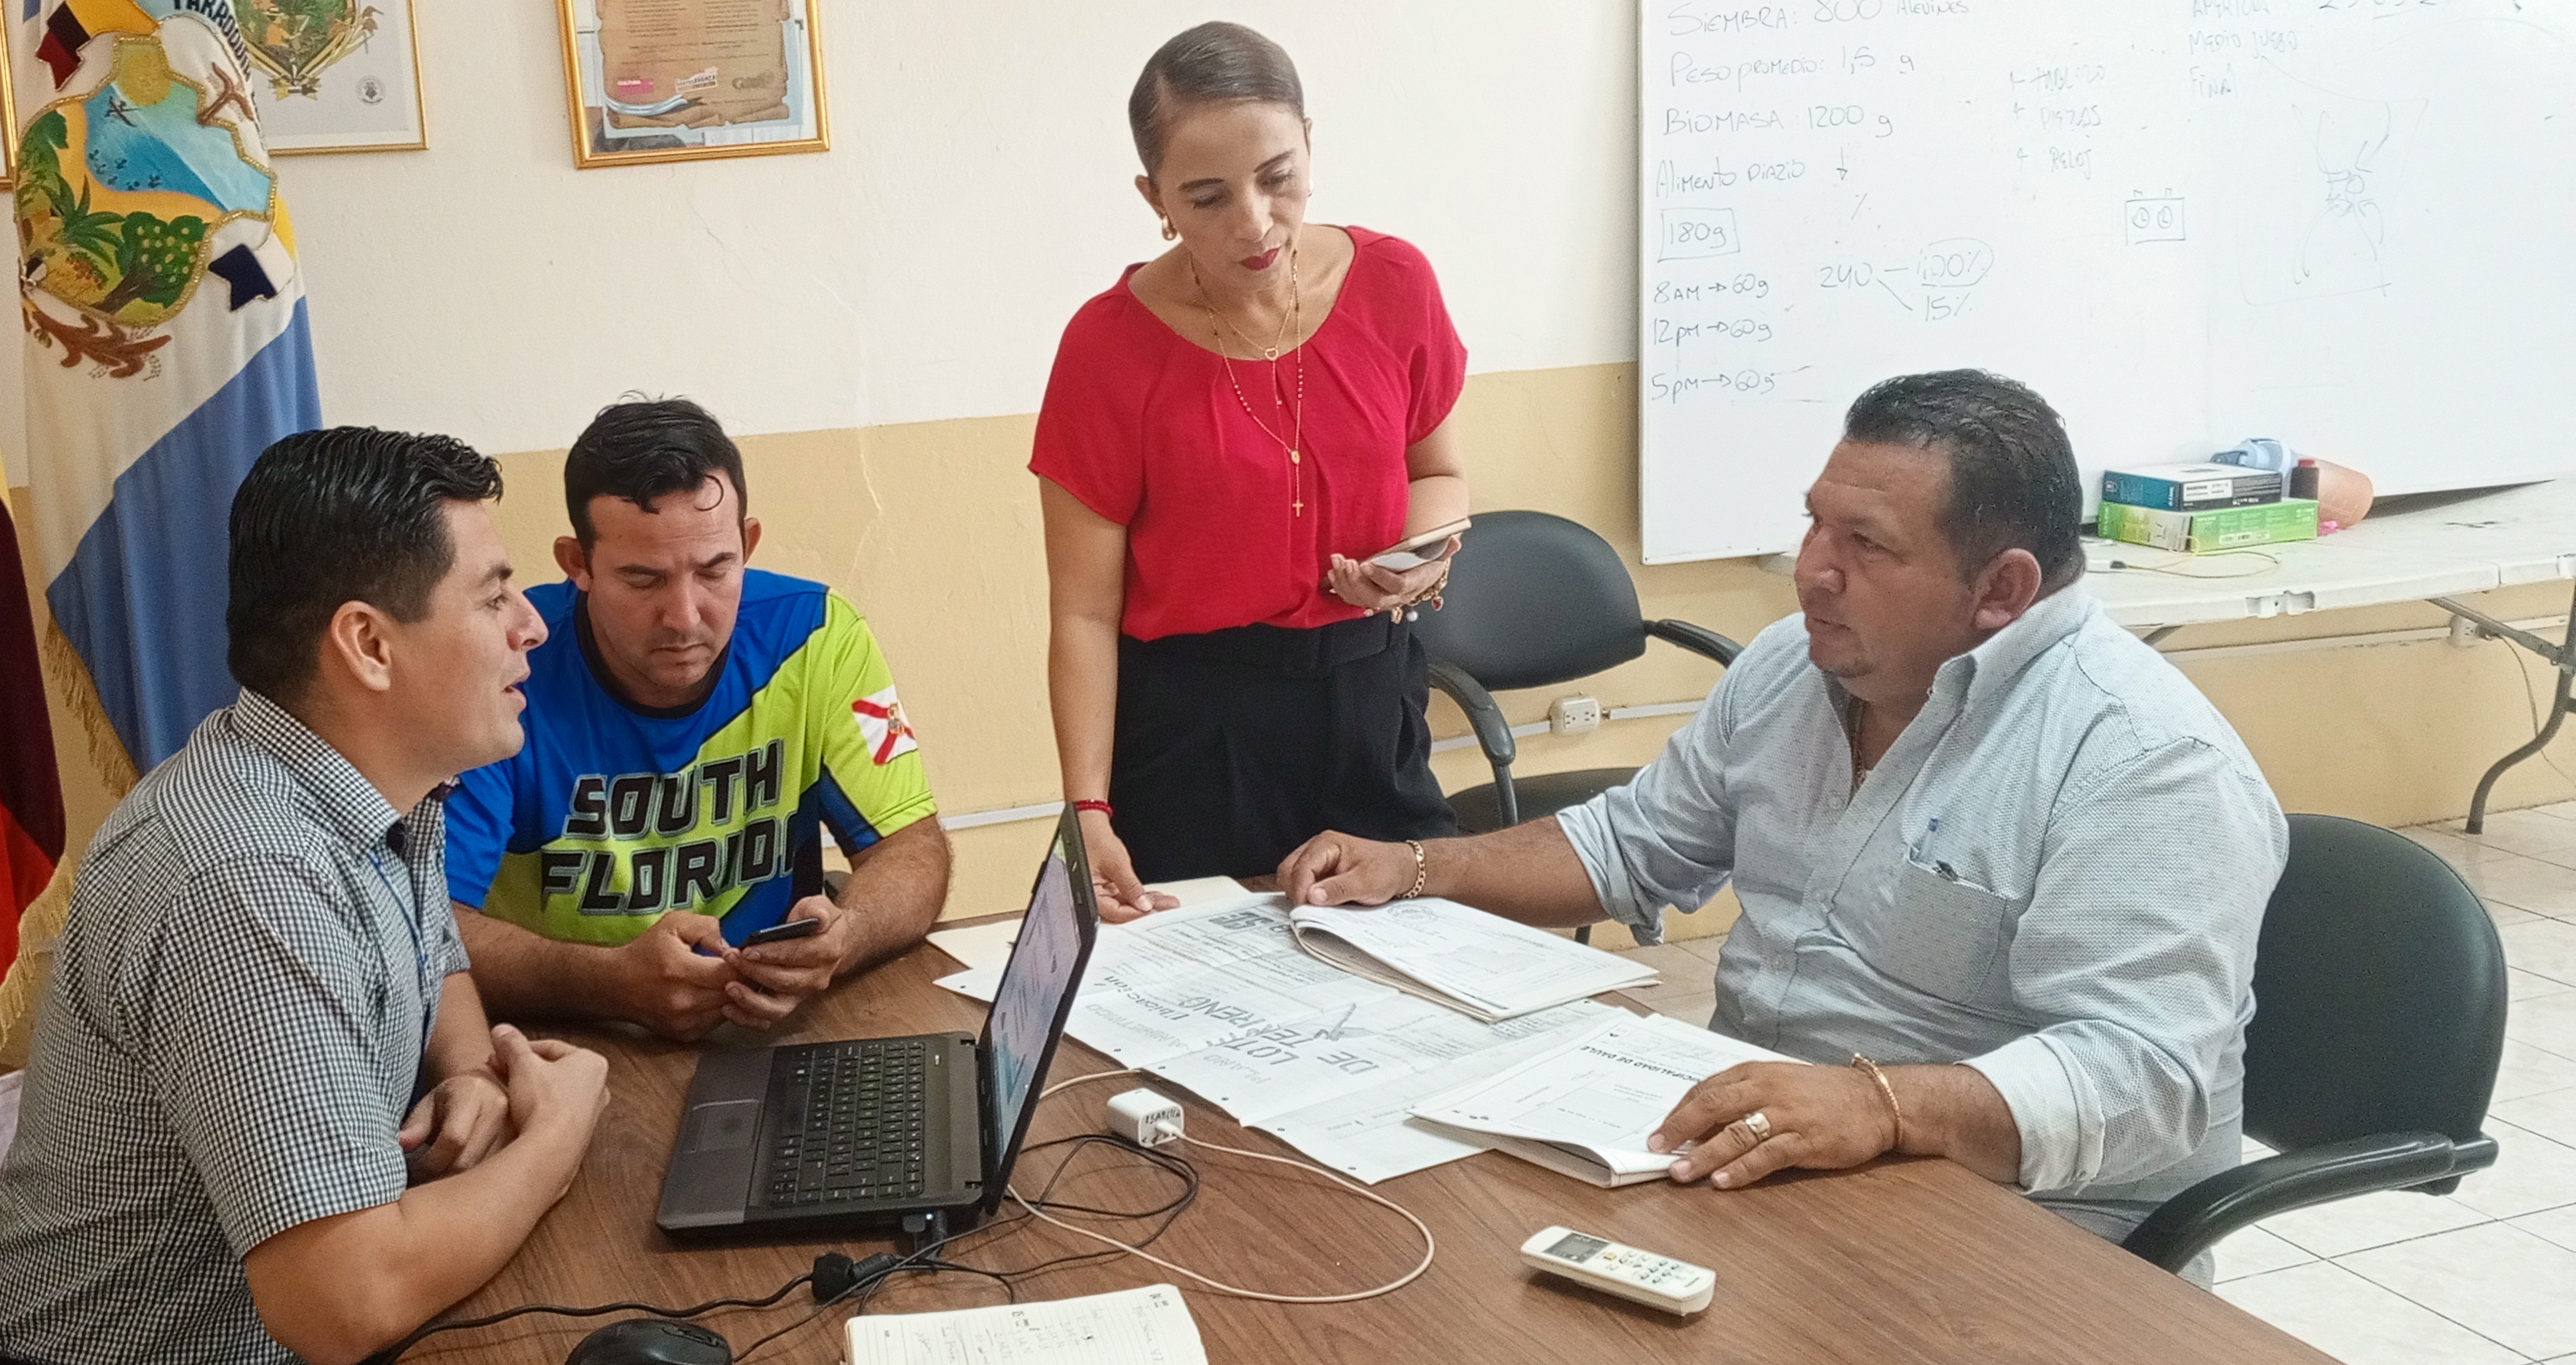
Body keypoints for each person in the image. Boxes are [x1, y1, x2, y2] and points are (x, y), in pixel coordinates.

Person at [1276, 371, 2285, 1257]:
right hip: (1774, 1163)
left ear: (2002, 590)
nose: (1812, 568)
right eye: (1815, 523)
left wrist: (1881, 1104)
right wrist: (1417, 868)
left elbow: (2147, 1079)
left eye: (1865, 544)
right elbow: (1633, 845)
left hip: (2028, 1234)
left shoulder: (2146, 764)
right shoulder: (1794, 669)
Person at [0, 429, 608, 1365]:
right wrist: (557, 1134)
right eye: (493, 598)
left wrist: (472, 1073)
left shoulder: (374, 780)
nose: (532, 625)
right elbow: (344, 1302)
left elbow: (435, 959)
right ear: (368, 645)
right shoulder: (246, 881)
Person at [1035, 21, 1472, 923]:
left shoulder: (1395, 283)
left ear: (1309, 141)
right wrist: (1088, 808)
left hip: (1370, 695)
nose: (1255, 222)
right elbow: (1083, 612)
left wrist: (1417, 557)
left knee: (1410, 959)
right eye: (1207, 198)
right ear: (1154, 197)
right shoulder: (1107, 347)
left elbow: (1439, 472)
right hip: (1198, 731)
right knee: (1209, 978)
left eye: (1278, 178)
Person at [447, 397, 950, 1040]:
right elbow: (436, 928)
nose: (684, 617)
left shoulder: (818, 634)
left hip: (767, 1029)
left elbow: (912, 849)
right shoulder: (508, 660)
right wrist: (607, 981)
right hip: (567, 1040)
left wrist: (846, 938)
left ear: (748, 544)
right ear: (578, 564)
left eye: (715, 570)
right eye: (642, 579)